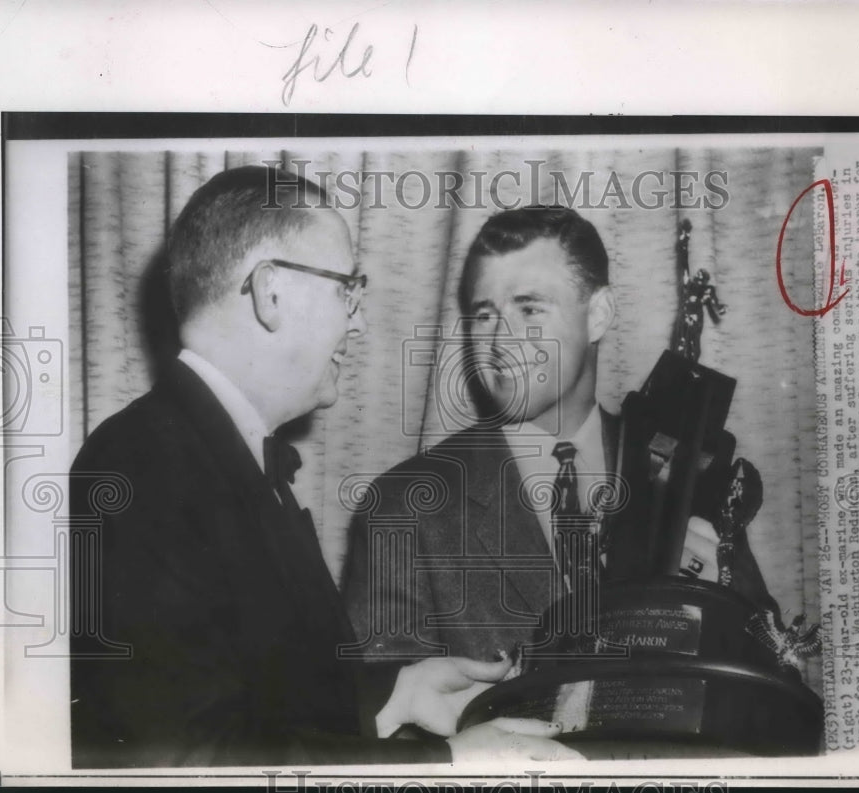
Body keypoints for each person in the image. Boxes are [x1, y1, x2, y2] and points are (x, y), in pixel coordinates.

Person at [69, 167, 580, 768]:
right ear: (270, 292)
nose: (357, 322)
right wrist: (449, 766)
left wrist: (395, 693)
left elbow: (255, 698)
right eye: (347, 290)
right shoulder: (141, 471)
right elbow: (189, 761)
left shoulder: (208, 451)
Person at [342, 206, 780, 669]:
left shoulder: (688, 465)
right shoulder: (403, 507)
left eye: (529, 309)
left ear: (599, 314)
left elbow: (778, 672)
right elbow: (381, 720)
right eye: (485, 315)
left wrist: (720, 610)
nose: (500, 343)